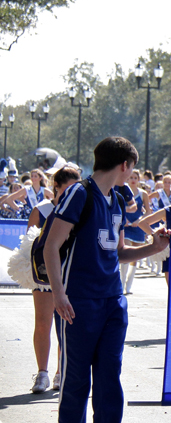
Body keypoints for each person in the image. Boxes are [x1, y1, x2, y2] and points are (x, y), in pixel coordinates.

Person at [45, 137, 170, 423]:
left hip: (112, 300)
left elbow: (118, 253)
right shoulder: (78, 193)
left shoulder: (115, 200)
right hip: (79, 300)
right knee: (76, 377)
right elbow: (50, 245)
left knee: (108, 375)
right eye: (133, 170)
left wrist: (153, 248)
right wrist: (59, 294)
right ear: (124, 165)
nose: (133, 178)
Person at [28, 166, 81, 393]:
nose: (70, 193)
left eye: (74, 189)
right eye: (65, 189)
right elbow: (30, 244)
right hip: (44, 275)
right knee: (43, 323)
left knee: (66, 324)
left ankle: (61, 372)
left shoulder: (81, 210)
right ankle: (42, 374)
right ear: (55, 188)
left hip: (72, 274)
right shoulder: (42, 210)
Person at [120, 170, 151, 295]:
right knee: (125, 253)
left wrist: (139, 220)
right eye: (131, 177)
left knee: (135, 257)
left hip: (138, 228)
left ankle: (129, 285)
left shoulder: (143, 194)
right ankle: (121, 284)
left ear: (139, 180)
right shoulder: (122, 191)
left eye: (135, 178)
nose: (133, 180)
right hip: (125, 227)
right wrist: (124, 219)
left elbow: (148, 211)